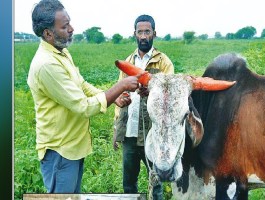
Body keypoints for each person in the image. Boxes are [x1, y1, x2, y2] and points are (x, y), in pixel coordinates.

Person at [27, 0, 140, 193]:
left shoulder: (61, 53)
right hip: (59, 151)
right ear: (48, 33)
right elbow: (83, 106)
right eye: (64, 26)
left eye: (69, 23)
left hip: (72, 146)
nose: (72, 29)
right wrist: (120, 86)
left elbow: (81, 85)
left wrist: (114, 97)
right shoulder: (47, 65)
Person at [113, 14, 174, 200]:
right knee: (128, 184)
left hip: (152, 134)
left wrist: (153, 93)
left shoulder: (163, 62)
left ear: (154, 33)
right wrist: (117, 123)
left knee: (155, 184)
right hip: (130, 134)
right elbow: (118, 94)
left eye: (147, 31)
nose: (143, 36)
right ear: (134, 34)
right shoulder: (127, 62)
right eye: (140, 32)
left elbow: (170, 95)